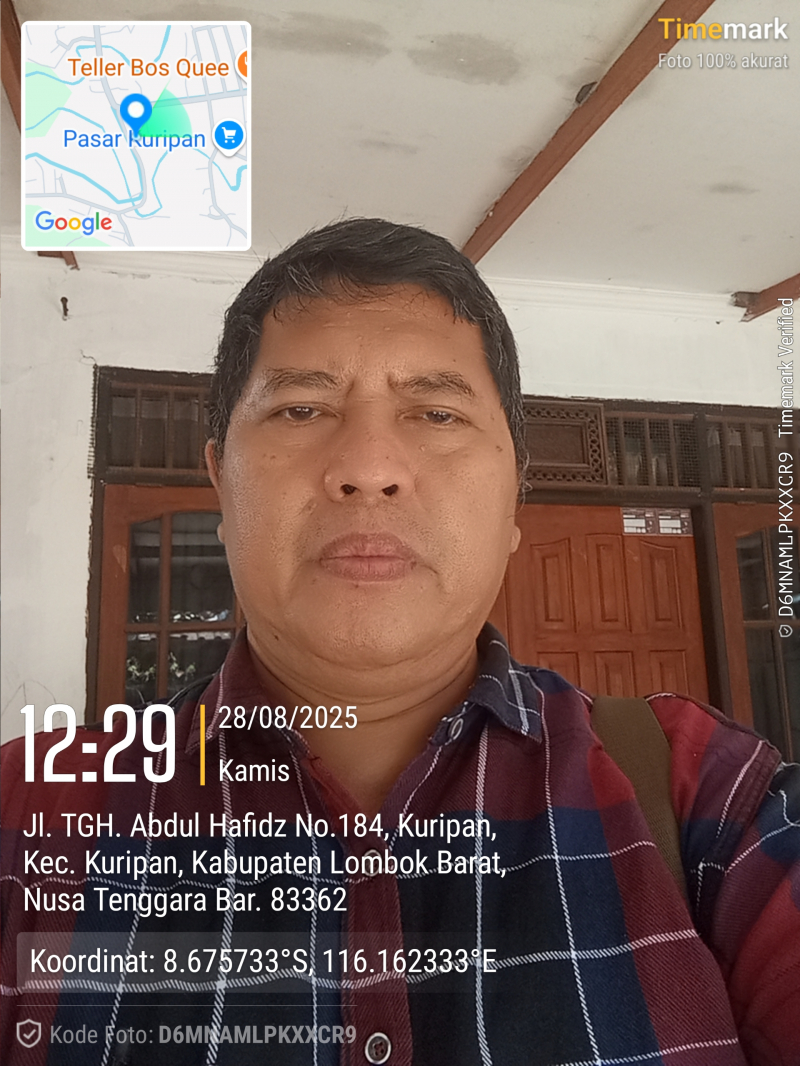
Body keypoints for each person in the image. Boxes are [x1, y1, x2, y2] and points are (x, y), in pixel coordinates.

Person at [2, 218, 799, 1066]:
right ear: (221, 485)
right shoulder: (32, 814)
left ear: (514, 497)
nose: (369, 467)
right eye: (302, 408)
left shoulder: (714, 799)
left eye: (437, 412)